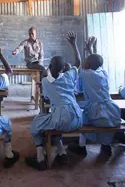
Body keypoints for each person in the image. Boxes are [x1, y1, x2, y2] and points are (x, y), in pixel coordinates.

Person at [25, 32, 83, 171]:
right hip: (78, 118)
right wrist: (74, 44)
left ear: (49, 67)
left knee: (36, 124)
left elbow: (46, 75)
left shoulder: (46, 82)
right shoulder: (69, 77)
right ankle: (61, 151)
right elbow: (78, 63)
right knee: (55, 121)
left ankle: (40, 156)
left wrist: (48, 69)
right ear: (64, 69)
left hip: (62, 119)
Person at [68, 36, 122, 156]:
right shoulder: (103, 72)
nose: (84, 62)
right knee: (104, 121)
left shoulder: (85, 74)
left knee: (80, 117)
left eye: (86, 61)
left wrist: (74, 45)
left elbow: (78, 89)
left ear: (87, 65)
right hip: (112, 111)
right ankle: (106, 146)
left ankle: (81, 147)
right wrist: (91, 49)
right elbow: (96, 62)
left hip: (96, 111)